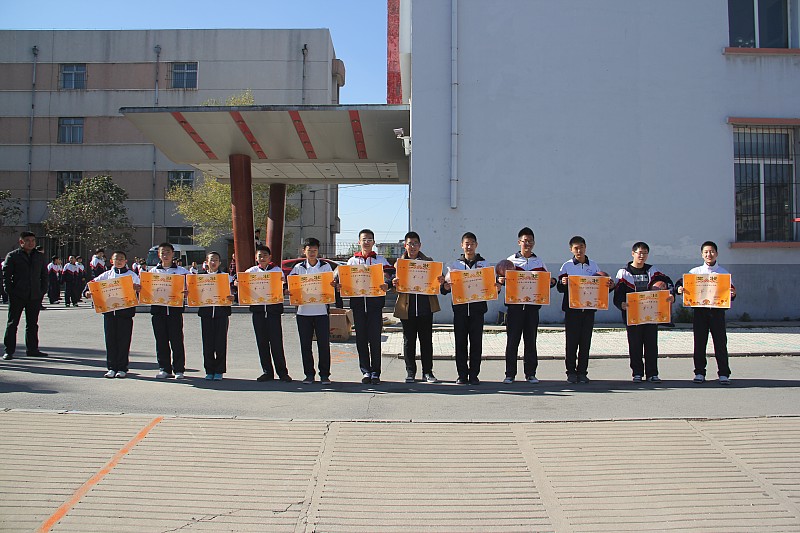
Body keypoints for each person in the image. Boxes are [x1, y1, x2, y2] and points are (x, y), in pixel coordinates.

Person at [497, 227, 556, 385]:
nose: (527, 244)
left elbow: (547, 280)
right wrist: (500, 280)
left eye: (530, 241)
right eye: (525, 241)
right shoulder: (510, 261)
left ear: (534, 243)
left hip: (532, 308)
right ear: (519, 242)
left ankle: (530, 373)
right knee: (512, 342)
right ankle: (510, 374)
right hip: (514, 308)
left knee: (530, 341)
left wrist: (552, 281)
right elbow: (500, 278)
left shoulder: (539, 262)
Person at [676, 241, 737, 385]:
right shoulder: (695, 272)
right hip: (700, 312)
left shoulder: (723, 273)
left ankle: (723, 373)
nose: (709, 254)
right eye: (706, 252)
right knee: (699, 343)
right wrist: (679, 289)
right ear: (702, 255)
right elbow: (680, 284)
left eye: (712, 251)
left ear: (717, 253)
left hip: (717, 312)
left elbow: (731, 292)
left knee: (720, 343)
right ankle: (699, 372)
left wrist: (732, 294)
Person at [613, 242, 674, 383]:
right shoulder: (623, 272)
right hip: (632, 314)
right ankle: (637, 373)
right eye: (639, 253)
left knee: (651, 344)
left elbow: (667, 283)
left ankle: (652, 373)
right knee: (635, 344)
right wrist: (621, 304)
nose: (642, 256)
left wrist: (671, 294)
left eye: (645, 253)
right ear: (633, 253)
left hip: (651, 313)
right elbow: (618, 294)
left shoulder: (653, 271)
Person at [556, 236, 615, 384]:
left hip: (589, 309)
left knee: (585, 342)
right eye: (576, 248)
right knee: (571, 343)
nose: (579, 251)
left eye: (581, 247)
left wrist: (609, 286)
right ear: (571, 249)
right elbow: (559, 288)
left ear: (585, 247)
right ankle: (571, 372)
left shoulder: (594, 266)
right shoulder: (567, 266)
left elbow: (601, 287)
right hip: (572, 309)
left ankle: (582, 372)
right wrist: (563, 283)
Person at [441, 232, 497, 385]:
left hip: (477, 311)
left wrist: (496, 287)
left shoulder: (485, 265)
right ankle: (462, 375)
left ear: (476, 245)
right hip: (459, 310)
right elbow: (445, 288)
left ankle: (474, 375)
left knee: (476, 344)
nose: (469, 246)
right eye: (467, 243)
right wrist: (445, 287)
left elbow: (492, 286)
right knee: (460, 343)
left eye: (472, 243)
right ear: (462, 245)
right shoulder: (454, 265)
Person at [392, 231, 443, 384]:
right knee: (409, 341)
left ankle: (427, 372)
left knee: (426, 341)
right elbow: (395, 288)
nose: (412, 247)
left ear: (420, 245)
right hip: (406, 308)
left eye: (415, 243)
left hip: (425, 307)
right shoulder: (399, 264)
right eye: (410, 244)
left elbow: (437, 284)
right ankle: (410, 372)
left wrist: (439, 280)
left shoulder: (429, 262)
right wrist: (394, 284)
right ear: (405, 246)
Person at [83, 251, 141, 378]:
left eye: (121, 259)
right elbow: (91, 284)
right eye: (116, 259)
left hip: (125, 314)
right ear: (111, 261)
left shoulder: (132, 275)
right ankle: (111, 368)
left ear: (126, 261)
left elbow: (141, 289)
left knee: (124, 341)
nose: (119, 261)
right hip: (109, 314)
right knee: (110, 341)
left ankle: (122, 368)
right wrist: (87, 292)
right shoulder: (106, 275)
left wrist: (137, 289)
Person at [343, 229, 390, 384]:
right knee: (361, 339)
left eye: (370, 239)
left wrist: (387, 284)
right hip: (358, 306)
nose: (367, 242)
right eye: (364, 239)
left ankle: (376, 372)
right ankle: (366, 371)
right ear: (359, 242)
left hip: (375, 305)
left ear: (374, 242)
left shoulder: (380, 260)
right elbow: (344, 279)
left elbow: (392, 276)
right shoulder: (352, 261)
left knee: (375, 339)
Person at [243, 245, 291, 382]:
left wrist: (283, 287)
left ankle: (282, 372)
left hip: (273, 312)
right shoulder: (251, 272)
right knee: (262, 342)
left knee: (276, 343)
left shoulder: (277, 271)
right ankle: (267, 372)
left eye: (265, 255)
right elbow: (241, 283)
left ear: (270, 257)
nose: (262, 258)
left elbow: (282, 287)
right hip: (258, 312)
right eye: (260, 256)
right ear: (256, 258)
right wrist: (237, 283)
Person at [289, 237, 334, 384]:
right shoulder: (298, 268)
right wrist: (289, 290)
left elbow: (331, 284)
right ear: (304, 251)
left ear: (318, 251)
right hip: (303, 312)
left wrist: (333, 285)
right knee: (305, 345)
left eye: (315, 250)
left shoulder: (325, 267)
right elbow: (291, 285)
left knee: (323, 345)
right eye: (309, 250)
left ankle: (324, 375)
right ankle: (309, 374)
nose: (312, 253)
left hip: (321, 312)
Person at [2, 231, 49, 360]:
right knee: (13, 323)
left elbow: (44, 275)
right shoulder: (13, 256)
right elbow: (6, 276)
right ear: (21, 242)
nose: (31, 243)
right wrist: (10, 291)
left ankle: (33, 349)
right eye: (27, 240)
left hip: (34, 295)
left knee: (32, 324)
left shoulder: (39, 256)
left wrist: (42, 290)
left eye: (33, 240)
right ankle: (9, 351)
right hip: (17, 294)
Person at [150, 242, 190, 379]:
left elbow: (191, 288)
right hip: (158, 311)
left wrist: (187, 292)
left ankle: (179, 369)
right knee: (161, 341)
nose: (165, 255)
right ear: (159, 255)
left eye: (168, 252)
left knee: (176, 341)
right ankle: (164, 368)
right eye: (163, 252)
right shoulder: (152, 272)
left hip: (175, 311)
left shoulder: (182, 272)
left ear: (173, 254)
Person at [196, 251, 234, 381]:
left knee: (220, 343)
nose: (213, 262)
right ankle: (209, 370)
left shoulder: (226, 277)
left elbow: (233, 293)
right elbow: (195, 294)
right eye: (211, 260)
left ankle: (219, 370)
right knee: (207, 343)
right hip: (206, 314)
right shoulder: (199, 278)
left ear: (219, 262)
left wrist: (232, 297)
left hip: (221, 313)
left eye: (216, 260)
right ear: (206, 262)